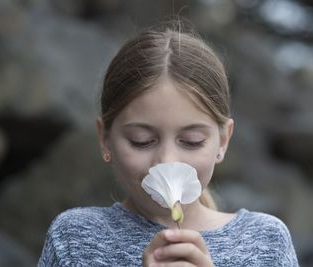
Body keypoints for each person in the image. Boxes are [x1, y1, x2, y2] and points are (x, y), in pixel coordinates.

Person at [38, 23, 299, 267]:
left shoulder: (266, 241)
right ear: (105, 139)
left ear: (223, 141)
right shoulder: (75, 237)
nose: (166, 161)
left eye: (191, 141)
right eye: (141, 141)